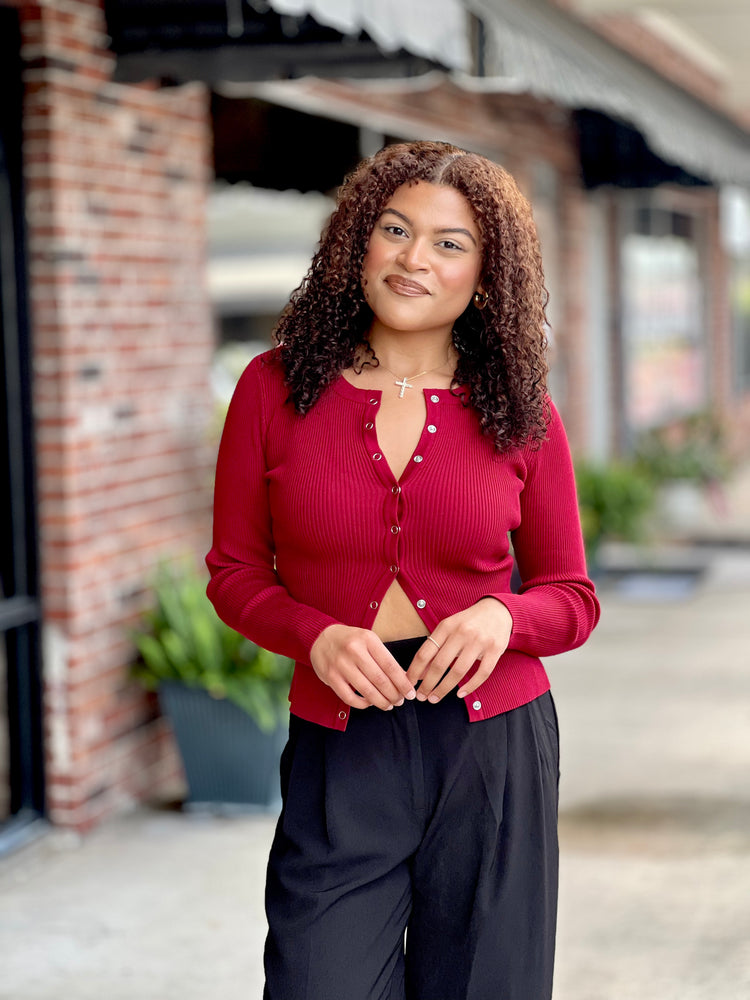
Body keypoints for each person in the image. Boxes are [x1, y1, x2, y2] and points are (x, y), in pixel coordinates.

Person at [206, 140, 600, 1000]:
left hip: (493, 747)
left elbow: (572, 598)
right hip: (343, 748)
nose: (414, 258)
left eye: (450, 243)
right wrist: (314, 636)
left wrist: (504, 617)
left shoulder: (522, 412)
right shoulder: (273, 390)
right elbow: (234, 572)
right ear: (359, 243)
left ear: (486, 274)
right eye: (395, 229)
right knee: (318, 978)